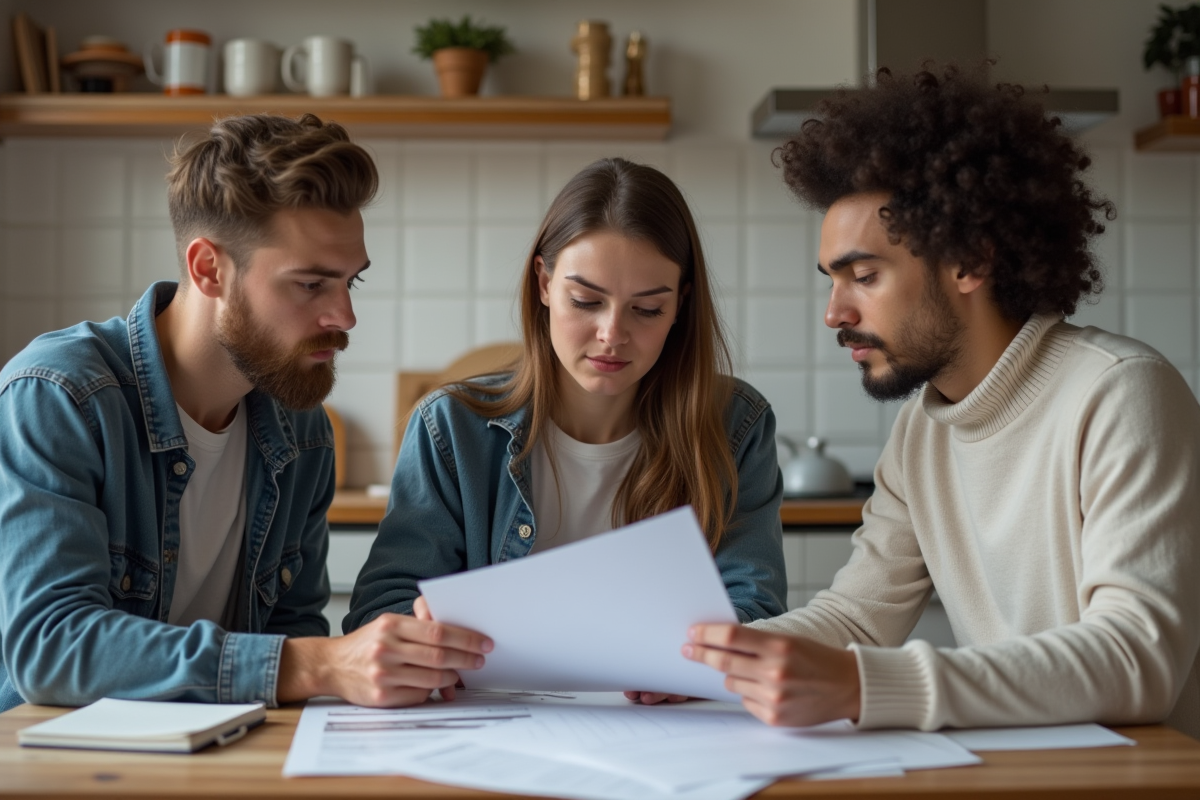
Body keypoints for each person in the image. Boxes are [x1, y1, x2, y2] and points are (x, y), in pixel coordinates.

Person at [682, 67, 1200, 738]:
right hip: (1025, 769)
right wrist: (700, 663)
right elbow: (857, 615)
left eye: (864, 276)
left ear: (969, 262)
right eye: (833, 281)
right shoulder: (921, 433)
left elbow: (1137, 660)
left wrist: (866, 684)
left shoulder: (1121, 392)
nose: (835, 312)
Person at [0, 113, 490, 713]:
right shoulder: (59, 397)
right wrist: (319, 663)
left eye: (350, 284)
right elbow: (50, 647)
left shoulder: (301, 429)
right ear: (209, 269)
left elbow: (292, 627)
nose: (345, 317)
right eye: (311, 285)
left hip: (218, 751)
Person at [347, 158, 788, 703]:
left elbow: (756, 608)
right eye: (586, 301)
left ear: (681, 306)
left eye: (647, 309)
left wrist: (692, 663)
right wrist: (423, 643)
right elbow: (378, 613)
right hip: (493, 729)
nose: (612, 334)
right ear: (544, 284)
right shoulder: (450, 427)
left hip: (665, 734)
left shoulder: (735, 426)